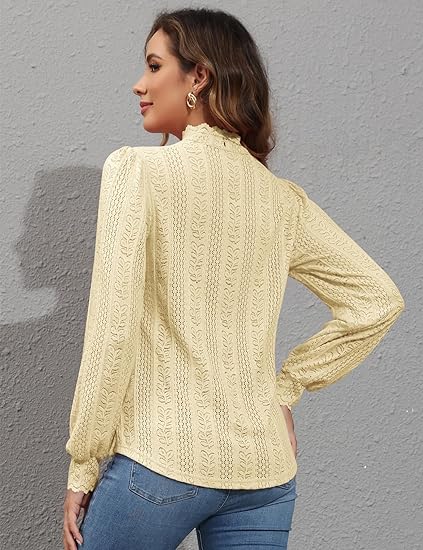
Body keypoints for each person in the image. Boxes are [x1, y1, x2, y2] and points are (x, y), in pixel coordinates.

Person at [62, 7, 405, 550]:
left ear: (199, 76)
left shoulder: (137, 171)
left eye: (154, 66)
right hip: (265, 474)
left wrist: (83, 464)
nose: (139, 84)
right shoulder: (282, 200)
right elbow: (377, 299)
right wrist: (285, 389)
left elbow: (113, 332)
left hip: (162, 461)